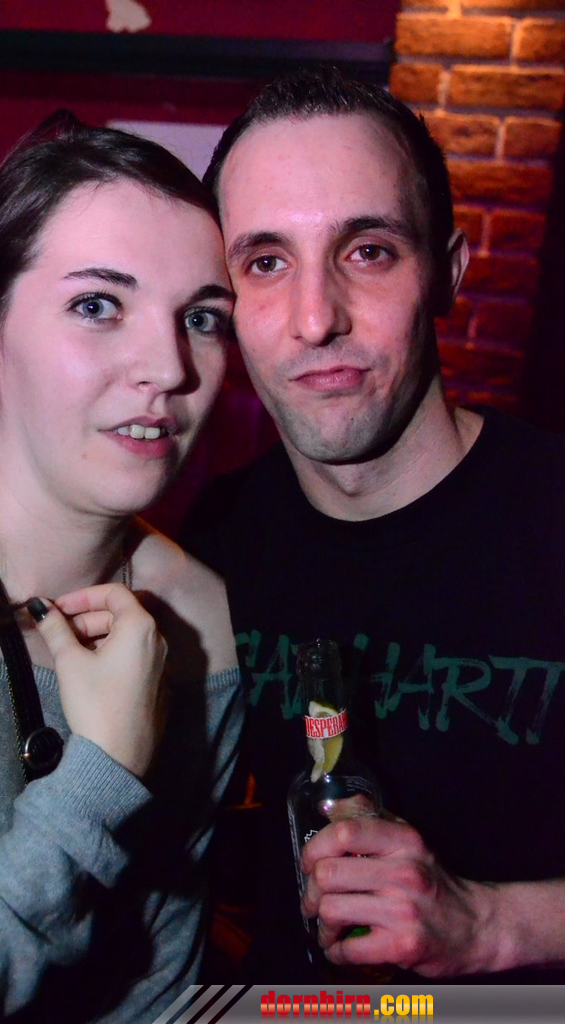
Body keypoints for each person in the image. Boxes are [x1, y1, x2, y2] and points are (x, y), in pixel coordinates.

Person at [184, 67, 565, 984]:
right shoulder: (211, 543)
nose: (316, 319)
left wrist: (493, 925)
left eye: (368, 251)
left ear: (447, 274)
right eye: (266, 263)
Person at [0, 111, 243, 1022]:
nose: (168, 367)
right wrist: (101, 772)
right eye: (97, 305)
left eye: (200, 318)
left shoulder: (201, 618)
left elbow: (161, 972)